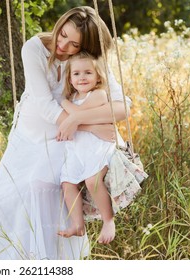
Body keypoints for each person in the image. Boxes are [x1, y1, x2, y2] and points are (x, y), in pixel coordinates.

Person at [0, 6, 130, 260]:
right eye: (63, 34)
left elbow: (122, 106)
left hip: (64, 142)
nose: (63, 45)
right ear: (60, 24)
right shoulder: (34, 48)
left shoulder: (86, 60)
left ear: (85, 47)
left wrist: (79, 120)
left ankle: (52, 262)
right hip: (29, 138)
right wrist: (88, 124)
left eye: (74, 44)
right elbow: (44, 104)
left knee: (44, 193)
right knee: (6, 197)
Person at [58, 51, 118, 244]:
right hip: (76, 149)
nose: (82, 77)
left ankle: (108, 221)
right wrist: (68, 105)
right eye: (76, 74)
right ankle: (77, 225)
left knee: (92, 181)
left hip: (97, 146)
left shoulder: (98, 95)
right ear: (69, 78)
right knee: (67, 184)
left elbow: (76, 115)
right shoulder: (73, 97)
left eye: (87, 73)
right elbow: (74, 119)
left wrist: (64, 103)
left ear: (98, 76)